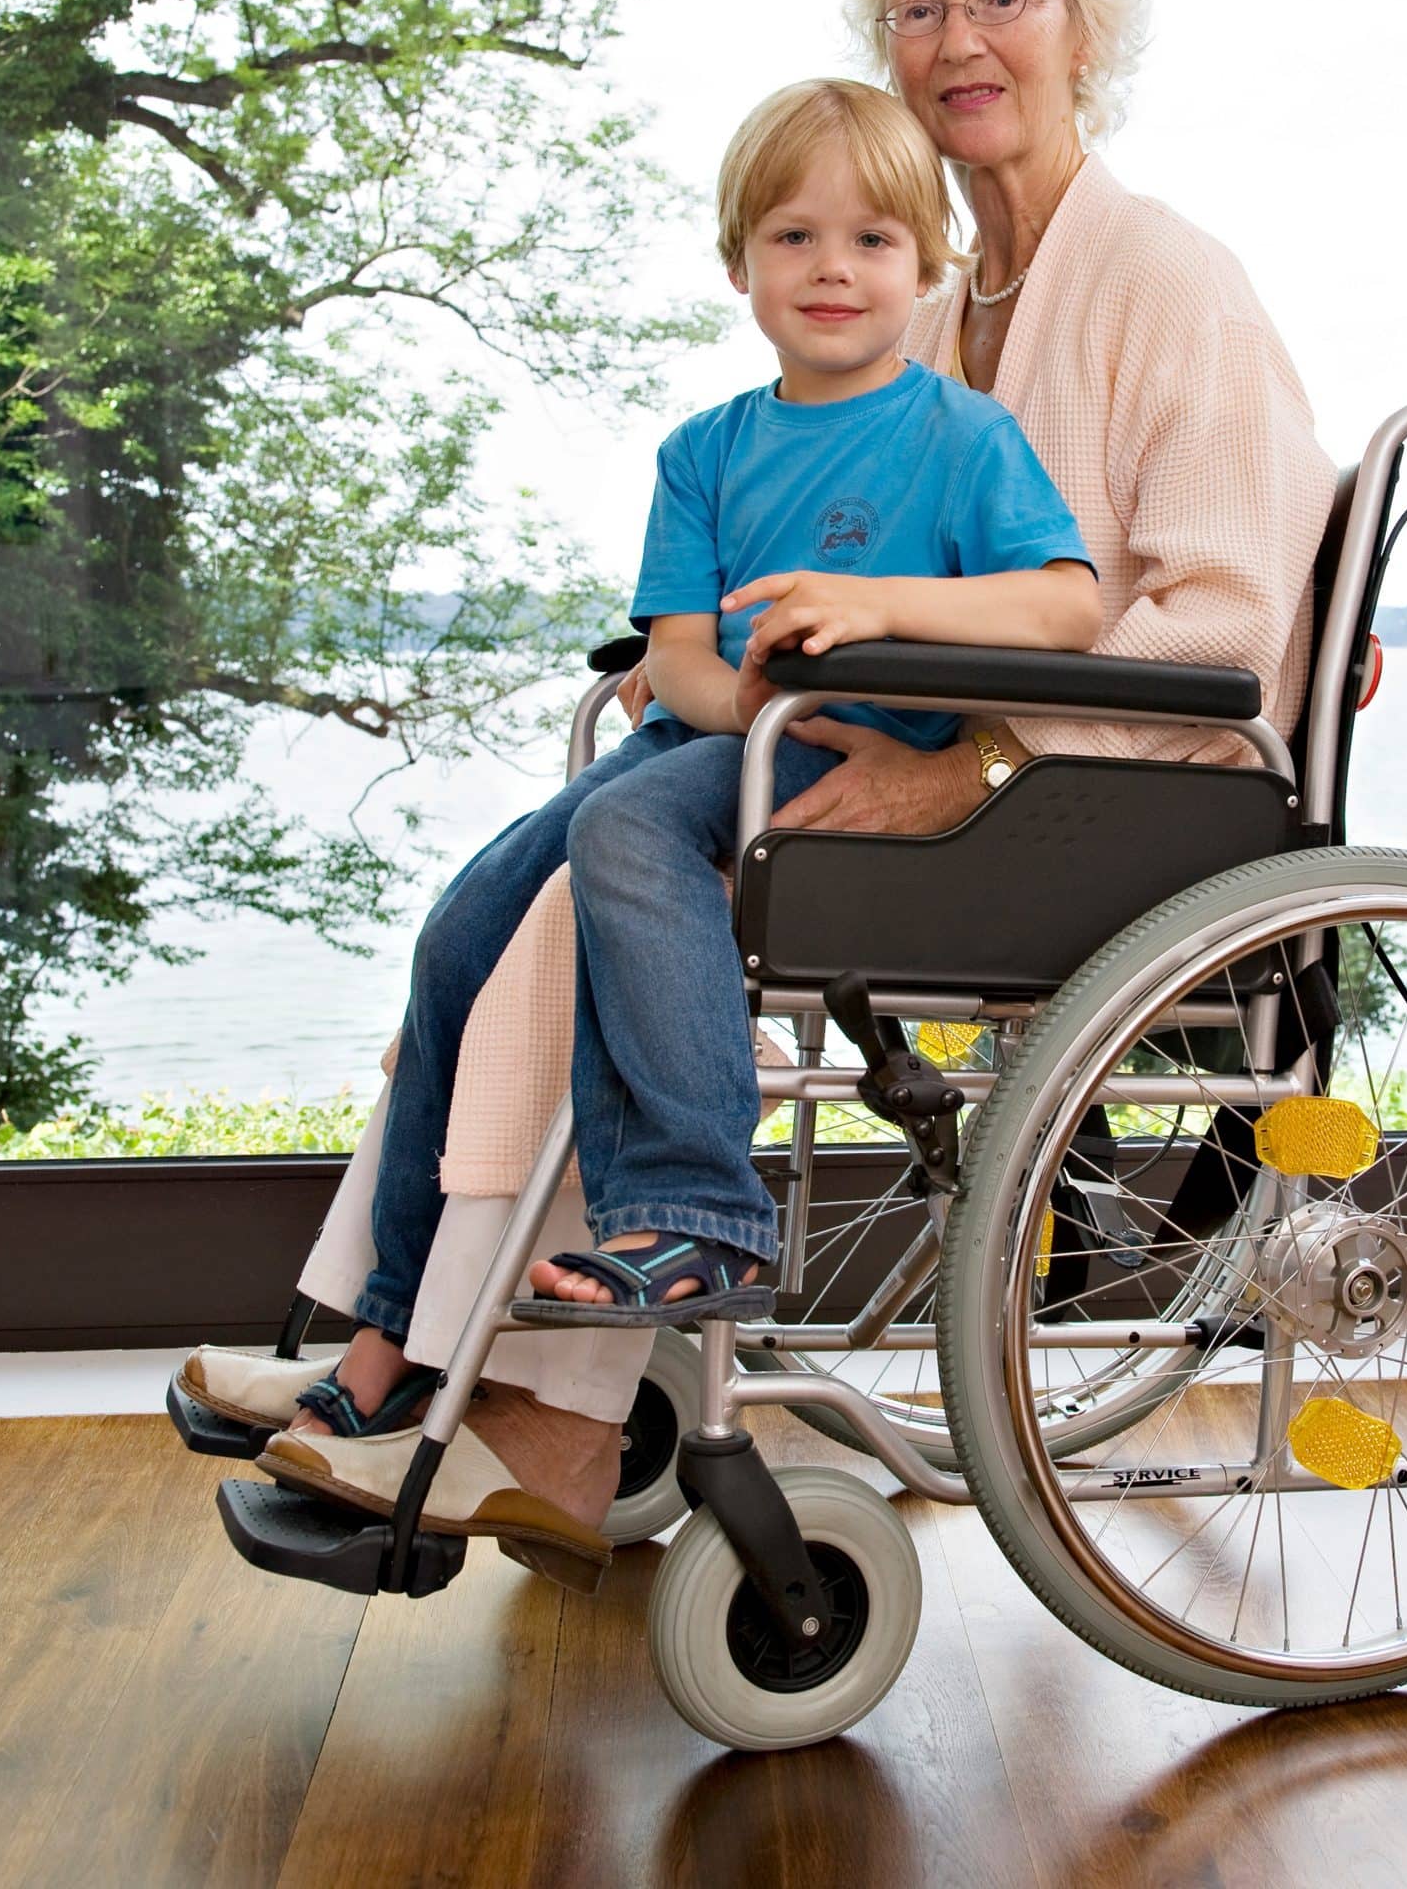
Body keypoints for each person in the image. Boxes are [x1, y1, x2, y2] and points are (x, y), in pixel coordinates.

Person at [179, 0, 1334, 1565]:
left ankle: (517, 1406)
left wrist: (983, 765)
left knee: (603, 887)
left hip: (1083, 806)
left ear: (1084, 32)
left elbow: (1227, 619)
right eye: (918, 9)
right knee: (501, 904)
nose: (961, 37)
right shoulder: (922, 299)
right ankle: (405, 1341)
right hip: (872, 755)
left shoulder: (1170, 280)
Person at [234, 76, 1096, 1545]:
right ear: (739, 262)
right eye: (795, 236)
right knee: (462, 931)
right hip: (728, 742)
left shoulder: (962, 440)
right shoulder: (704, 452)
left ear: (930, 262)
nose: (835, 268)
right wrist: (733, 688)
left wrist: (870, 610)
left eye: (877, 239)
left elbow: (1070, 608)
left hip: (851, 755)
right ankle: (389, 1332)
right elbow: (677, 661)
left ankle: (699, 1210)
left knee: (619, 835)